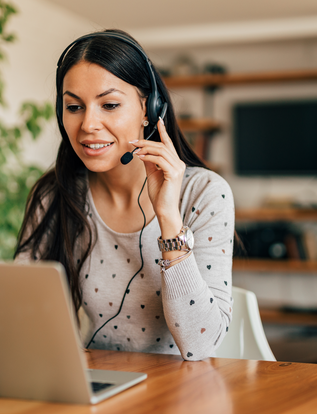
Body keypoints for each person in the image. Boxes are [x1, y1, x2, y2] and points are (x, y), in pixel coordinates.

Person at [14, 29, 234, 361]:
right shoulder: (56, 194)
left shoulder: (204, 193)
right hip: (98, 386)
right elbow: (21, 315)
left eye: (110, 104)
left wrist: (169, 219)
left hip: (186, 391)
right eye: (74, 106)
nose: (88, 124)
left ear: (149, 108)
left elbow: (199, 346)